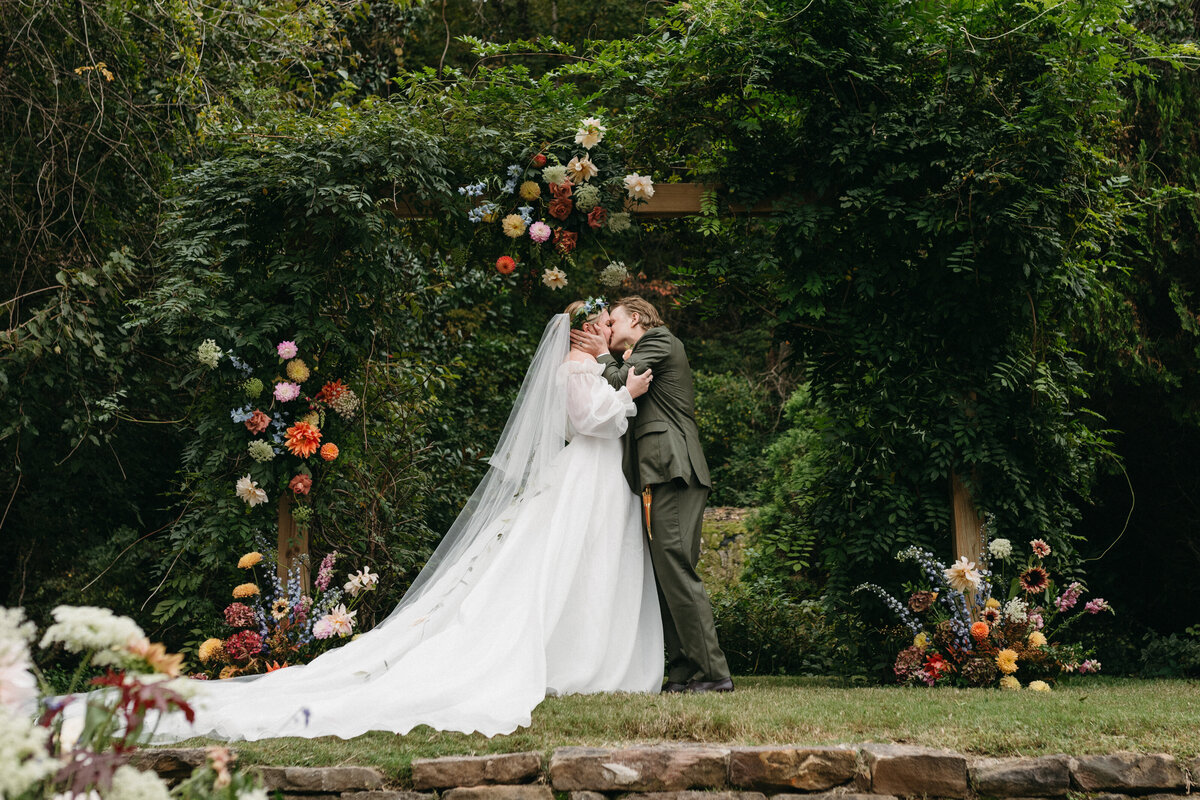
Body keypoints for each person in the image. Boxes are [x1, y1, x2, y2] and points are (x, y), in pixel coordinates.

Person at [143, 305, 662, 741]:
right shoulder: (575, 364)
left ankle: (595, 650)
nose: (610, 330)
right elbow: (589, 421)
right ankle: (576, 658)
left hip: (597, 479)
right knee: (569, 562)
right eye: (603, 321)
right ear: (583, 330)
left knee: (590, 563)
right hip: (584, 476)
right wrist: (627, 397)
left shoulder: (591, 364)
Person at [570, 296, 733, 693]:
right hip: (659, 472)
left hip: (674, 470)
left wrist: (600, 357)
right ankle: (681, 672)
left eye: (616, 320)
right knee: (666, 573)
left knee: (676, 568)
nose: (609, 327)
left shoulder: (658, 340)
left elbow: (620, 383)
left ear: (637, 319)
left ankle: (714, 672)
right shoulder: (642, 347)